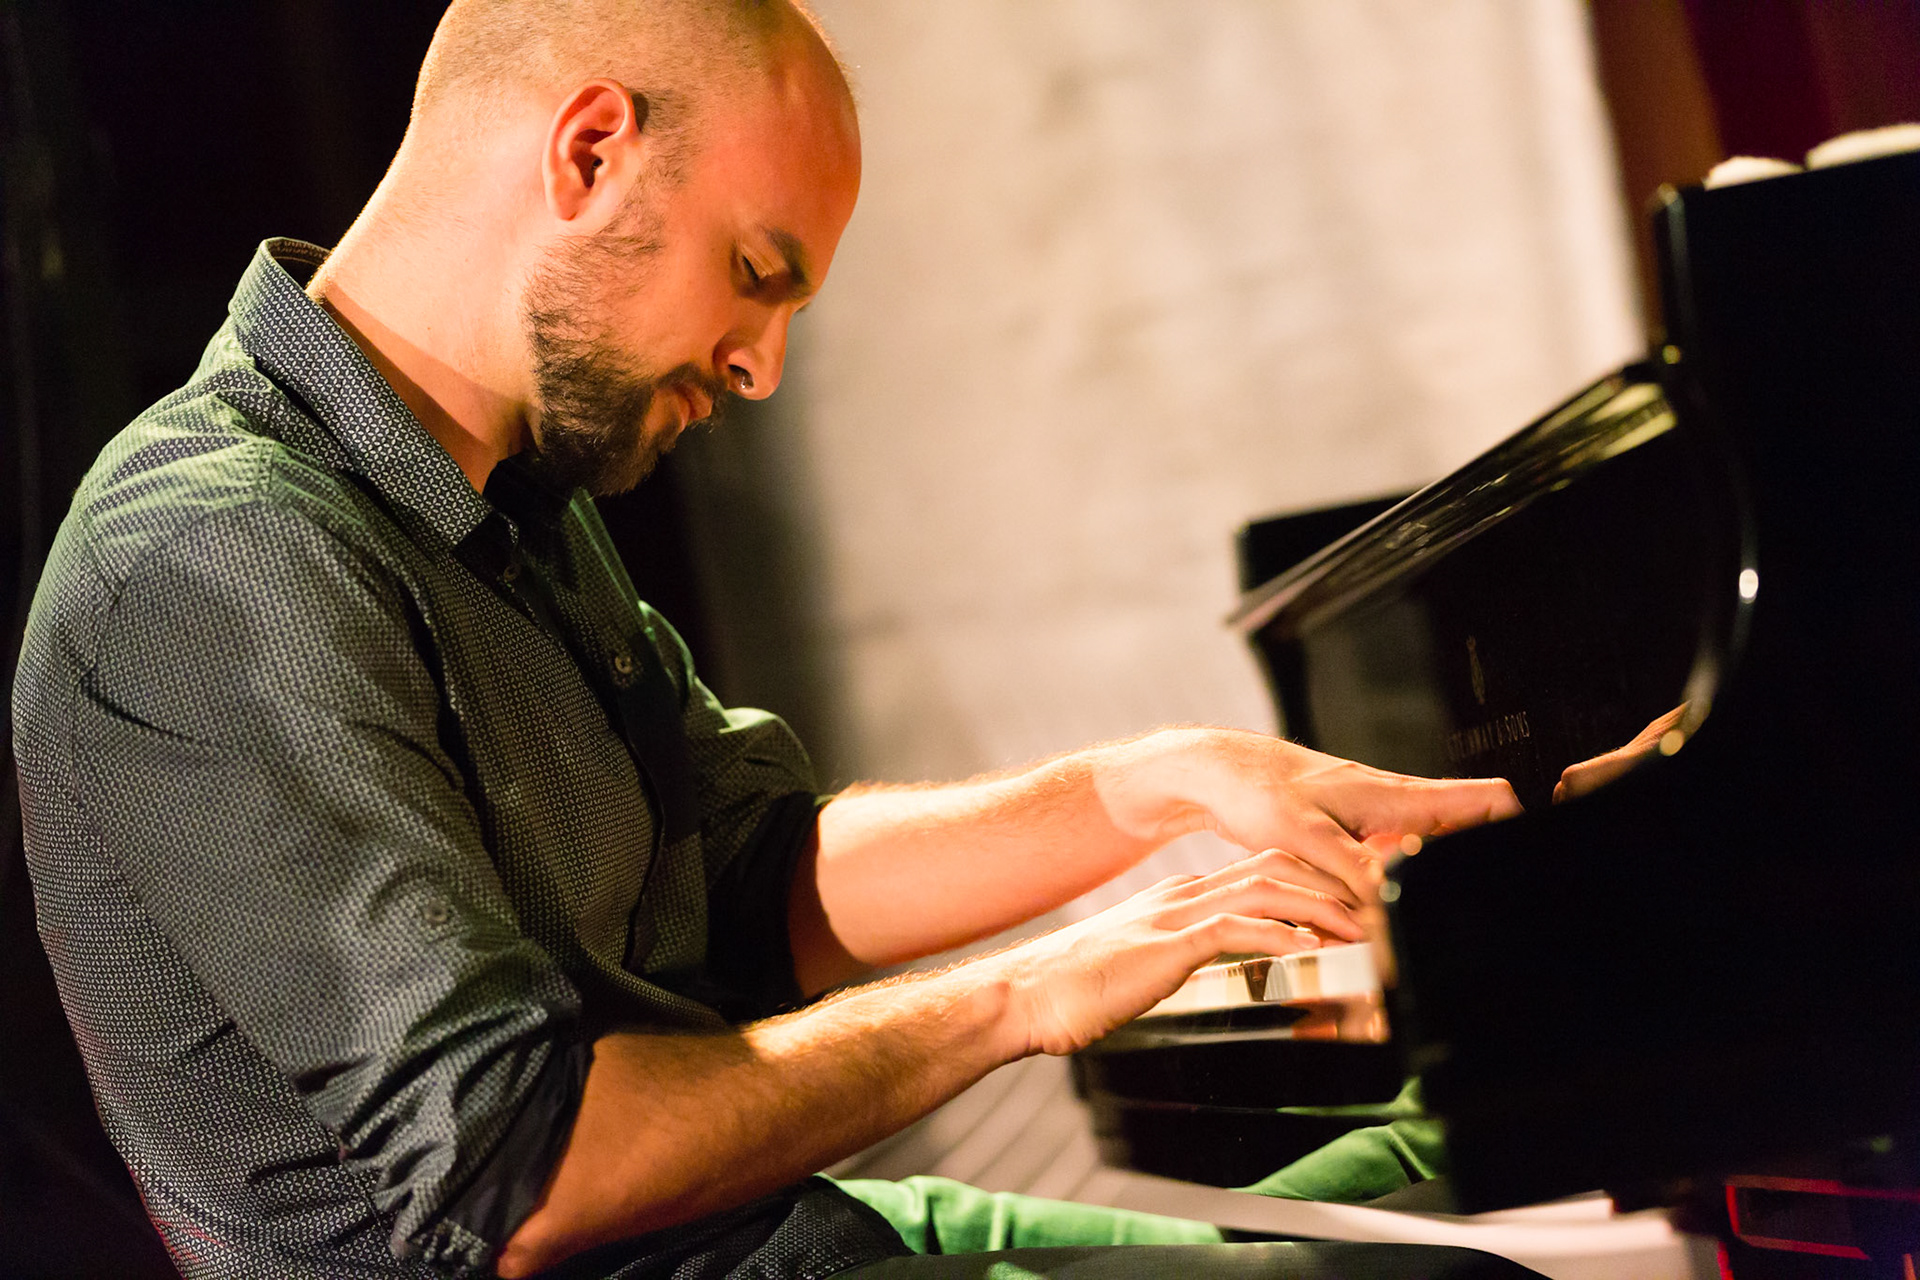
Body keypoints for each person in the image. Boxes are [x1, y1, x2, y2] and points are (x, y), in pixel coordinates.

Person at [9, 2, 1522, 1276]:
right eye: (755, 274)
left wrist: (1157, 788)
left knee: (1444, 1170)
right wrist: (1028, 990)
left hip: (777, 1239)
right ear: (590, 151)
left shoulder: (507, 492)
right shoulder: (214, 560)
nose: (761, 367)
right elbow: (531, 1169)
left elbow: (747, 885)